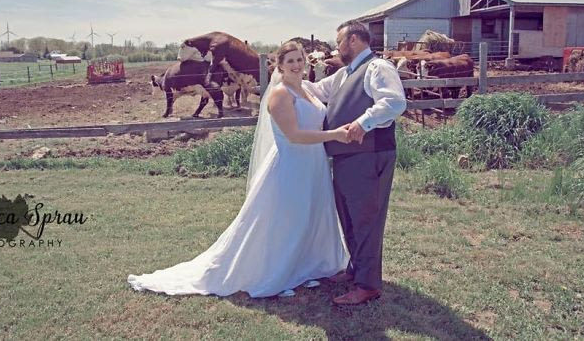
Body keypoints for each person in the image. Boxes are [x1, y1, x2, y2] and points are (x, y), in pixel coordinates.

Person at [127, 41, 350, 298]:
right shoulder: (280, 94)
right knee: (286, 218)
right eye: (290, 61)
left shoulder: (308, 90)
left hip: (314, 164)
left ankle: (304, 267)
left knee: (310, 214)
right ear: (280, 66)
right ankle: (277, 272)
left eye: (299, 60)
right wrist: (334, 135)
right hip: (291, 164)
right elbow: (294, 135)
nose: (296, 65)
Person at [305, 22, 407, 305]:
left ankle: (368, 285)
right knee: (349, 217)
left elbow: (394, 103)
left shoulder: (378, 68)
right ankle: (356, 269)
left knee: (366, 220)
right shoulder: (341, 76)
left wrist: (363, 123)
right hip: (346, 157)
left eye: (339, 41)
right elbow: (313, 90)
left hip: (370, 154)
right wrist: (285, 74)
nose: (337, 47)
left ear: (352, 40)